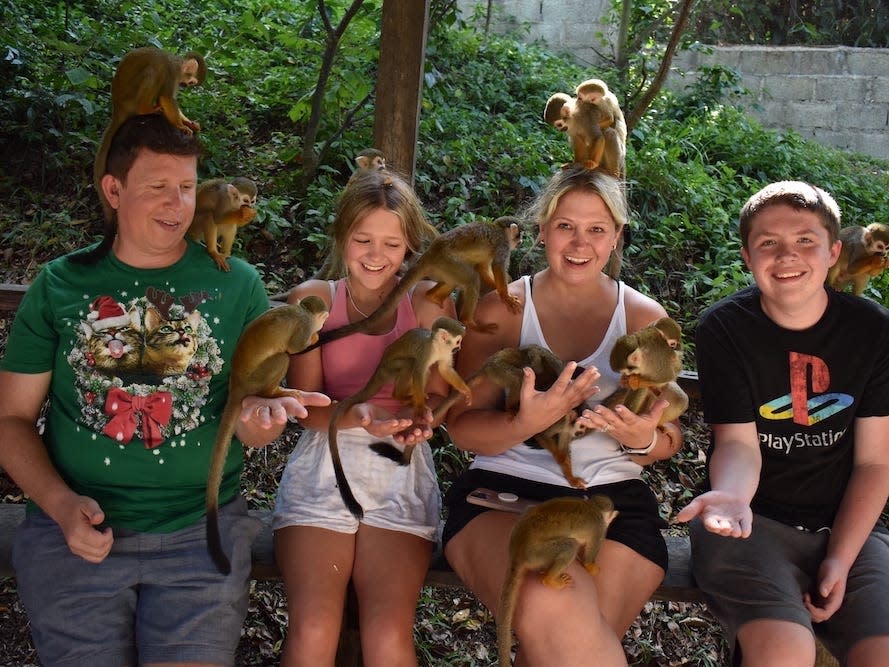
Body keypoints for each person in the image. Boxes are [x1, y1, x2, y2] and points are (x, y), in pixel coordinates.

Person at [0, 113, 329, 667]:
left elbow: (245, 415)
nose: (177, 205)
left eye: (185, 187)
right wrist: (59, 506)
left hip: (199, 534)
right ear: (114, 188)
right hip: (74, 532)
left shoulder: (237, 283)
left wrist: (259, 421)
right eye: (157, 187)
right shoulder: (60, 284)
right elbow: (10, 420)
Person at [442, 167, 685, 667]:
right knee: (555, 606)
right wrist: (526, 423)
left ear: (617, 237)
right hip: (505, 494)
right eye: (565, 226)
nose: (580, 243)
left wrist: (641, 439)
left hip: (610, 505)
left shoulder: (643, 319)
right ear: (541, 231)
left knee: (559, 651)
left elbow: (670, 437)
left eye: (597, 229)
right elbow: (462, 428)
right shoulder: (504, 310)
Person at [676, 181, 889, 666]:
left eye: (805, 241)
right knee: (783, 653)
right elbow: (739, 444)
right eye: (768, 243)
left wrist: (839, 556)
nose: (787, 255)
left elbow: (876, 462)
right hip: (752, 524)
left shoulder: (873, 330)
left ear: (835, 251)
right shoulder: (726, 328)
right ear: (747, 257)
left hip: (847, 527)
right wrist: (731, 496)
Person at [272, 166, 455, 667]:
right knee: (312, 629)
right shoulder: (314, 301)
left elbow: (440, 396)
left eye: (392, 245)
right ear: (342, 237)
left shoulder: (424, 302)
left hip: (399, 466)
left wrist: (425, 420)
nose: (376, 256)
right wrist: (361, 416)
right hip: (323, 464)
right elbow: (304, 407)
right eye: (363, 240)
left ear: (410, 246)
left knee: (387, 636)